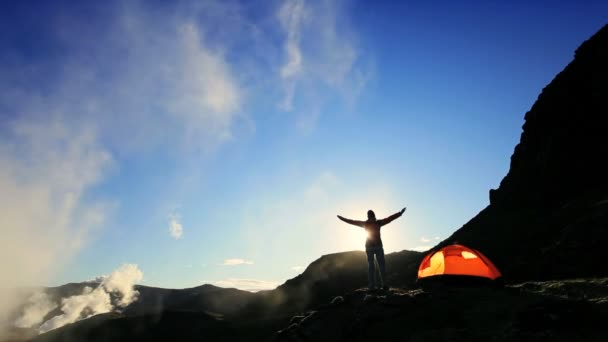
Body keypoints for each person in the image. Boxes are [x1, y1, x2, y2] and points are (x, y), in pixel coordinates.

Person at [337, 207, 406, 290]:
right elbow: (389, 219)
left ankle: (373, 286)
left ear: (368, 216)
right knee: (380, 266)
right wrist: (400, 213)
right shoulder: (378, 222)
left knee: (372, 267)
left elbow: (352, 222)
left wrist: (342, 218)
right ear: (373, 216)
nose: (372, 219)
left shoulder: (366, 223)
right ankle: (382, 285)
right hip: (376, 247)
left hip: (371, 247)